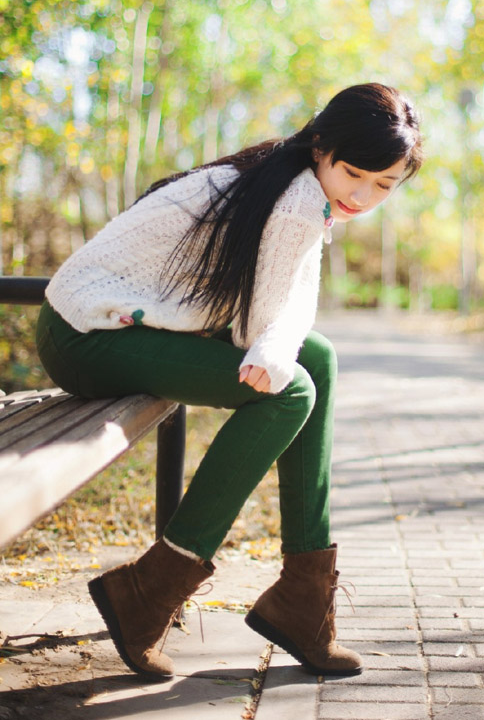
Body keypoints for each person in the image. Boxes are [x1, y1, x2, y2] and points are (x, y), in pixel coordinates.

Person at [36, 82, 423, 682]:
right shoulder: (294, 200)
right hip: (85, 334)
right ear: (321, 146)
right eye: (354, 173)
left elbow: (285, 317)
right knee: (292, 388)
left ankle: (303, 593)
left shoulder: (291, 179)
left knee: (314, 357)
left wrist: (276, 346)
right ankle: (151, 587)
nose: (363, 195)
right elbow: (265, 327)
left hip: (117, 326)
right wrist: (273, 350)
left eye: (384, 185)